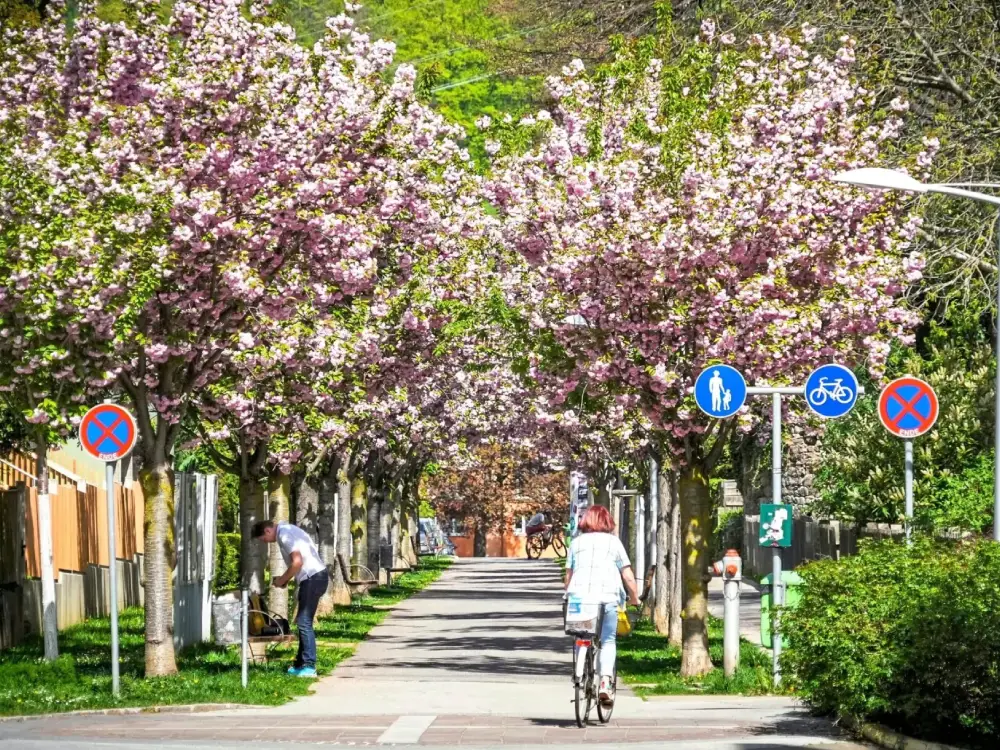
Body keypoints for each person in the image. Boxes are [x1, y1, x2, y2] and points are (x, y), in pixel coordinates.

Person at [564, 505, 640, 706]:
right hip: (606, 598)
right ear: (607, 522)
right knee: (607, 640)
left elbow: (568, 575)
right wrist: (635, 597)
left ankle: (580, 673)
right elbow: (627, 575)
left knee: (581, 635)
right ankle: (605, 682)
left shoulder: (576, 543)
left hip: (579, 600)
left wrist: (568, 593)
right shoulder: (614, 543)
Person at [252, 519, 329, 677]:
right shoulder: (288, 529)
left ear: (267, 531)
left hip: (313, 578)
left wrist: (281, 580)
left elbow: (297, 562)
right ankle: (300, 664)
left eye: (263, 539)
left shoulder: (284, 534)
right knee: (302, 621)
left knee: (304, 621)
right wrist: (285, 580)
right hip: (315, 577)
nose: (266, 542)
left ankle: (309, 666)